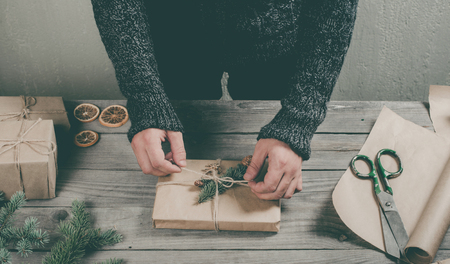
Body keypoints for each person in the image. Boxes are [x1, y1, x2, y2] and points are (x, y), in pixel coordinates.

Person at [90, 0, 359, 200]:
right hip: (171, 37)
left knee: (271, 165)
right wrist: (146, 98)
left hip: (275, 38)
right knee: (173, 166)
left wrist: (297, 121)